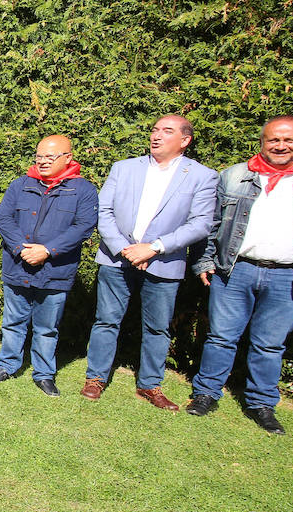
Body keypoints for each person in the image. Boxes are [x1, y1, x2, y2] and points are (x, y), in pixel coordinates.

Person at [186, 116, 293, 433]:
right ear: (262, 142)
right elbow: (211, 225)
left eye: (288, 140)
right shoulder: (236, 176)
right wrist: (205, 261)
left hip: (288, 276)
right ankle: (205, 394)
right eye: (273, 140)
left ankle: (261, 403)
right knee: (221, 338)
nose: (280, 145)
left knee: (270, 344)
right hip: (235, 271)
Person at [80, 115, 217, 409]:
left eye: (166, 131)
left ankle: (150, 385)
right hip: (117, 258)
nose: (156, 135)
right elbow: (103, 211)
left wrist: (153, 248)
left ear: (184, 140)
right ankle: (95, 377)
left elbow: (201, 224)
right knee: (106, 320)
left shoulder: (202, 176)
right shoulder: (124, 168)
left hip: (164, 262)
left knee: (157, 327)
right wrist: (125, 248)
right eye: (155, 129)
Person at [0, 135, 99, 395]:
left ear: (68, 157)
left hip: (56, 271)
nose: (43, 162)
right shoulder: (20, 185)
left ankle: (44, 374)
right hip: (18, 265)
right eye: (39, 157)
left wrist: (47, 251)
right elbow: (4, 219)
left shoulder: (83, 190)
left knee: (47, 328)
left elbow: (83, 227)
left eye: (50, 157)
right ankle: (7, 365)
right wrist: (21, 249)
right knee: (13, 321)